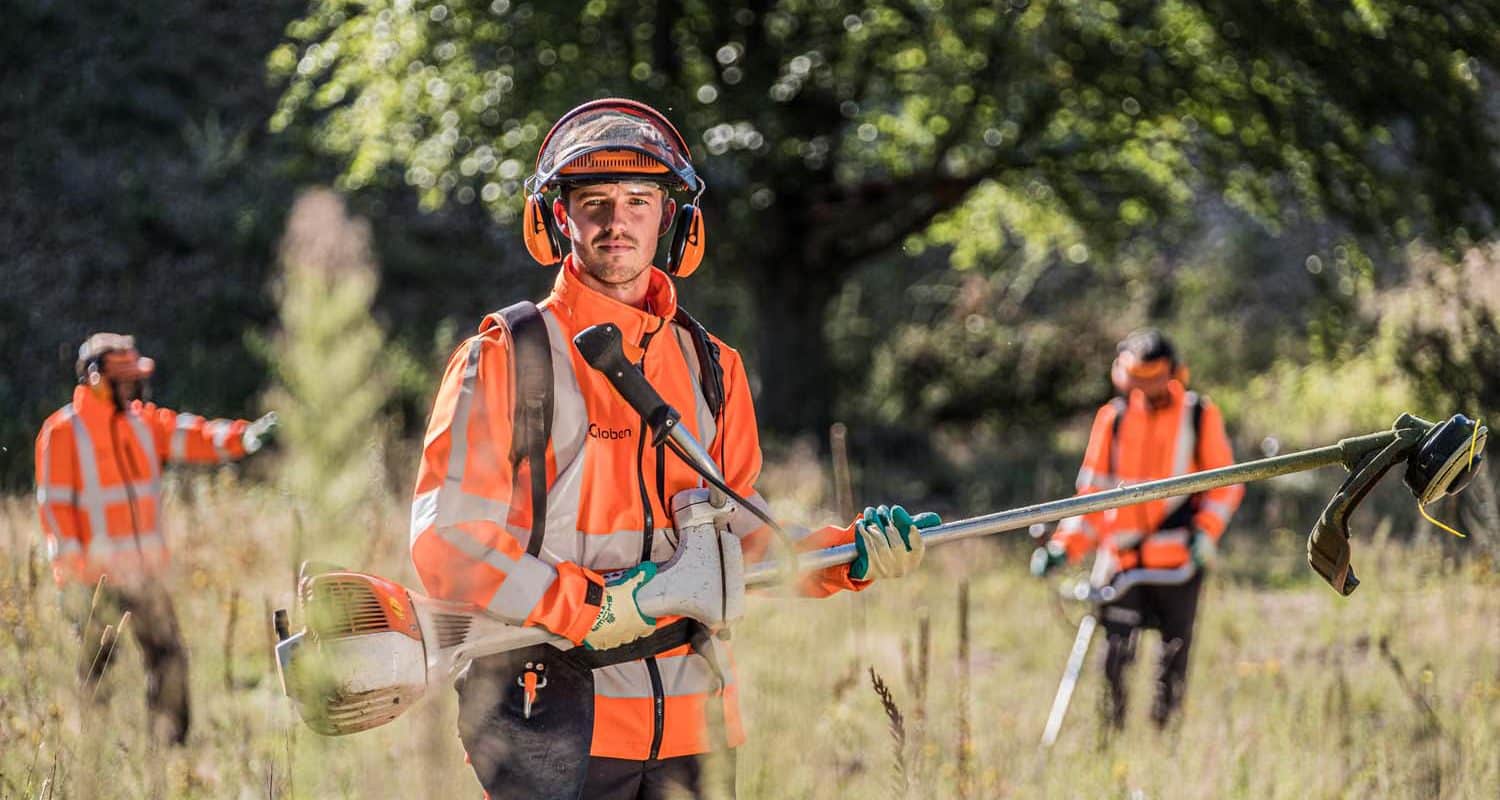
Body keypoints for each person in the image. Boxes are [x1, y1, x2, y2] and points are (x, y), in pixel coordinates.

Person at [410, 98, 938, 799]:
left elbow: (740, 538)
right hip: (549, 723)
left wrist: (847, 556)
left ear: (672, 217)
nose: (616, 220)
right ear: (557, 217)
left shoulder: (712, 366)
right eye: (593, 200)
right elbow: (448, 540)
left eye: (639, 199)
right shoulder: (509, 358)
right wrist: (586, 607)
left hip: (699, 728)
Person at [34, 332, 277, 744]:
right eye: (124, 380)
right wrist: (76, 579)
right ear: (97, 379)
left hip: (145, 574)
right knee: (95, 673)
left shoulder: (143, 423)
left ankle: (171, 752)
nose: (131, 388)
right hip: (95, 582)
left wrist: (244, 437)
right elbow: (54, 510)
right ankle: (86, 756)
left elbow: (193, 435)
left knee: (169, 663)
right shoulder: (62, 432)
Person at [1033, 329, 1242, 731]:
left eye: (1152, 378)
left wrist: (1205, 533)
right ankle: (1109, 743)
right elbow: (1091, 498)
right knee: (1113, 661)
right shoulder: (1112, 420)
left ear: (1173, 373)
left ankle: (1166, 747)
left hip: (1178, 564)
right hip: (1122, 564)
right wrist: (1064, 546)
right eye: (1137, 379)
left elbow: (1226, 485)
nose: (1145, 388)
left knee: (1172, 664)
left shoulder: (1199, 414)